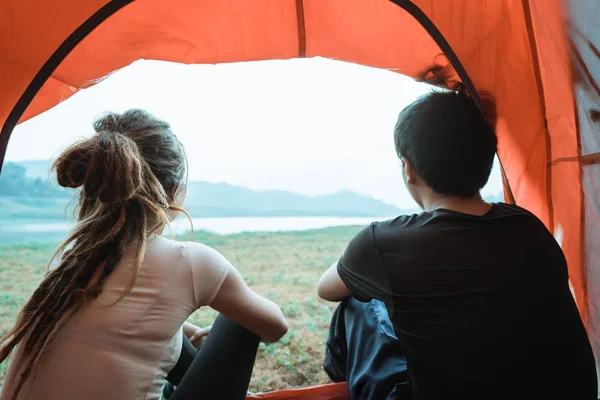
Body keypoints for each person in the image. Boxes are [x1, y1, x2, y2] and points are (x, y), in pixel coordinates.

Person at [317, 91, 598, 399]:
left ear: (408, 168)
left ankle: (342, 382)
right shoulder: (530, 226)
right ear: (486, 159)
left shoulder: (383, 243)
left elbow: (326, 288)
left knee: (361, 301)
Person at [0, 109, 288, 400]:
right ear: (175, 191)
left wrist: (185, 328)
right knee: (240, 319)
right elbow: (274, 326)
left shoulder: (73, 260)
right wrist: (217, 332)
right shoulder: (191, 263)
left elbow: (123, 324)